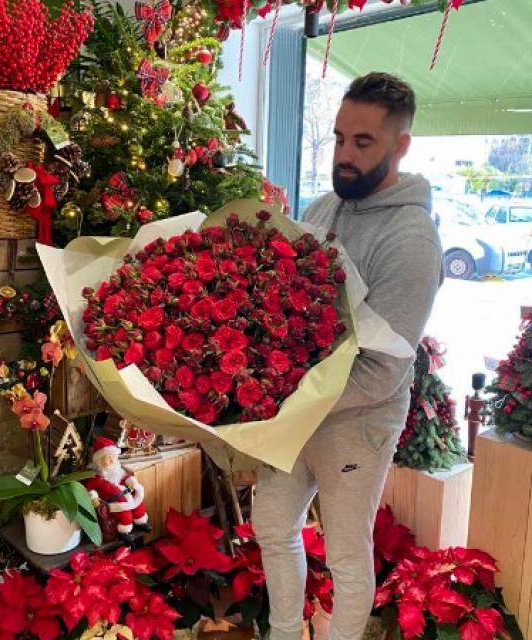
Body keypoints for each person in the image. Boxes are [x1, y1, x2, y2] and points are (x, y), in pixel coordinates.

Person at [252, 72, 443, 640]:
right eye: (338, 138)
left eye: (363, 143)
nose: (345, 156)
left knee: (347, 558)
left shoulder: (411, 241)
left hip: (358, 419)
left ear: (400, 145)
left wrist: (289, 396)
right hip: (295, 412)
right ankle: (286, 633)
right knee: (272, 527)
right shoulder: (320, 206)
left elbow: (383, 369)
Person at [85, 436, 151, 543]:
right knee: (126, 516)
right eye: (108, 458)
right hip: (113, 502)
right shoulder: (96, 477)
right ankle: (124, 532)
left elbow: (125, 477)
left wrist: (131, 481)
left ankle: (141, 522)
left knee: (139, 507)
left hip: (126, 495)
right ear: (99, 461)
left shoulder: (118, 470)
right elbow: (89, 489)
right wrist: (93, 497)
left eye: (113, 457)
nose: (112, 460)